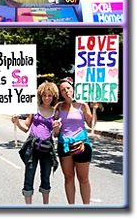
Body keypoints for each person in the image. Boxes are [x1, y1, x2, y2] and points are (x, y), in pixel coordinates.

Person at [12, 82, 59, 204]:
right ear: (40, 95)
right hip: (32, 146)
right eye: (44, 95)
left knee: (46, 178)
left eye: (49, 95)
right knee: (29, 177)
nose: (47, 98)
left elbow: (55, 134)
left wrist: (57, 127)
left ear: (53, 96)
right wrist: (17, 122)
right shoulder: (34, 109)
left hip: (47, 147)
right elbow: (26, 127)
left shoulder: (55, 112)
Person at [53, 77, 98, 205]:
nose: (66, 91)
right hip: (64, 146)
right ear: (60, 93)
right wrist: (56, 128)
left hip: (82, 146)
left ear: (73, 88)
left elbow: (92, 124)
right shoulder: (58, 107)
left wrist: (94, 108)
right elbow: (55, 134)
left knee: (83, 179)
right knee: (68, 178)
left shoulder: (82, 105)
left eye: (68, 88)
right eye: (62, 90)